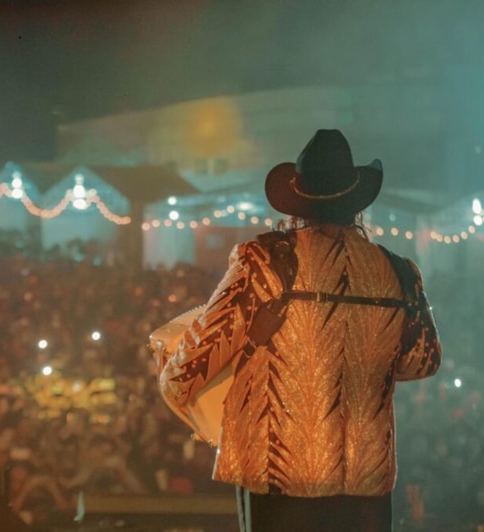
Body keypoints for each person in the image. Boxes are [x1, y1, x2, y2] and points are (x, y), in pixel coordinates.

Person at [158, 129, 442, 531]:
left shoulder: (264, 262)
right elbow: (423, 361)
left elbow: (185, 373)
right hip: (366, 481)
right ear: (355, 201)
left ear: (298, 203)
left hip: (280, 478)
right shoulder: (400, 272)